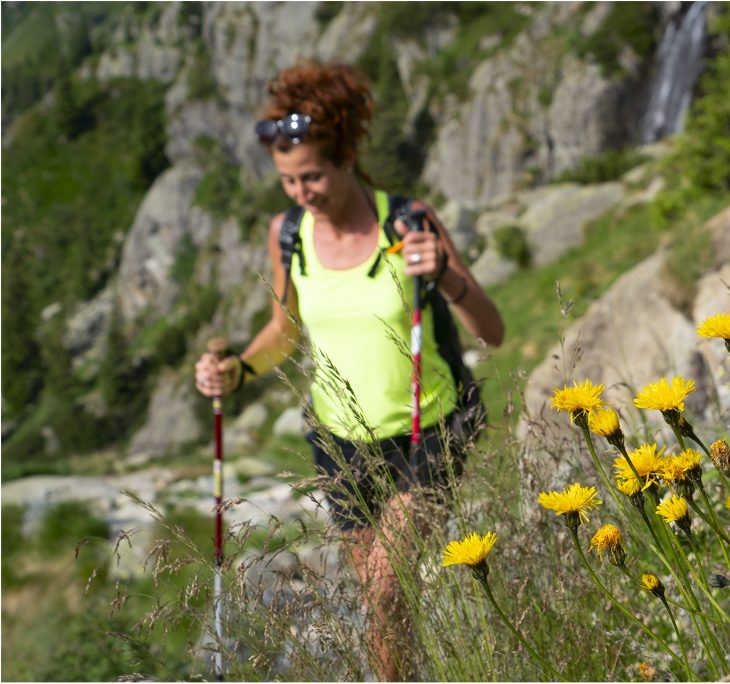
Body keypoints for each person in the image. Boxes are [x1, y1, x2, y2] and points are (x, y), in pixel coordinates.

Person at [193, 60, 503, 681]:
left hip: (429, 430)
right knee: (380, 600)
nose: (301, 192)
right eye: (287, 180)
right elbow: (284, 332)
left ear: (347, 157)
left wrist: (442, 273)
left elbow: (490, 330)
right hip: (339, 440)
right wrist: (238, 371)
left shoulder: (409, 221)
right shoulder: (288, 235)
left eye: (313, 176)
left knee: (387, 586)